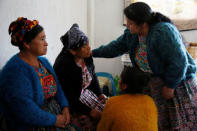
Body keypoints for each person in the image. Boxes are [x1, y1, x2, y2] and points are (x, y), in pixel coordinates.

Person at [92, 2, 197, 130]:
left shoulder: (163, 32)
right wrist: (93, 53)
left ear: (142, 23)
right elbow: (115, 47)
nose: (128, 26)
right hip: (155, 83)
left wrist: (170, 86)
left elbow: (179, 62)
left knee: (180, 121)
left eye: (130, 23)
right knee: (161, 121)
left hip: (177, 82)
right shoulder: (133, 34)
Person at [0, 17, 76, 131]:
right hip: (33, 124)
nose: (46, 43)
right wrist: (55, 120)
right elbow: (25, 111)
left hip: (56, 114)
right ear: (26, 44)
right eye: (42, 39)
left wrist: (65, 107)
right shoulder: (14, 71)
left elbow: (57, 87)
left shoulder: (43, 62)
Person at [53, 24, 106, 130]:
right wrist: (89, 111)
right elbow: (69, 97)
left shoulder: (86, 57)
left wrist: (99, 93)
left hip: (86, 94)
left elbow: (93, 75)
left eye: (88, 43)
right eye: (84, 46)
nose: (89, 48)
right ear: (73, 51)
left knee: (109, 112)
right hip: (72, 102)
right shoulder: (64, 66)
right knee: (93, 123)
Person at [97, 66, 158, 131]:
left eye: (120, 78)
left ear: (124, 86)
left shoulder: (113, 102)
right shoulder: (150, 101)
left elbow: (102, 129)